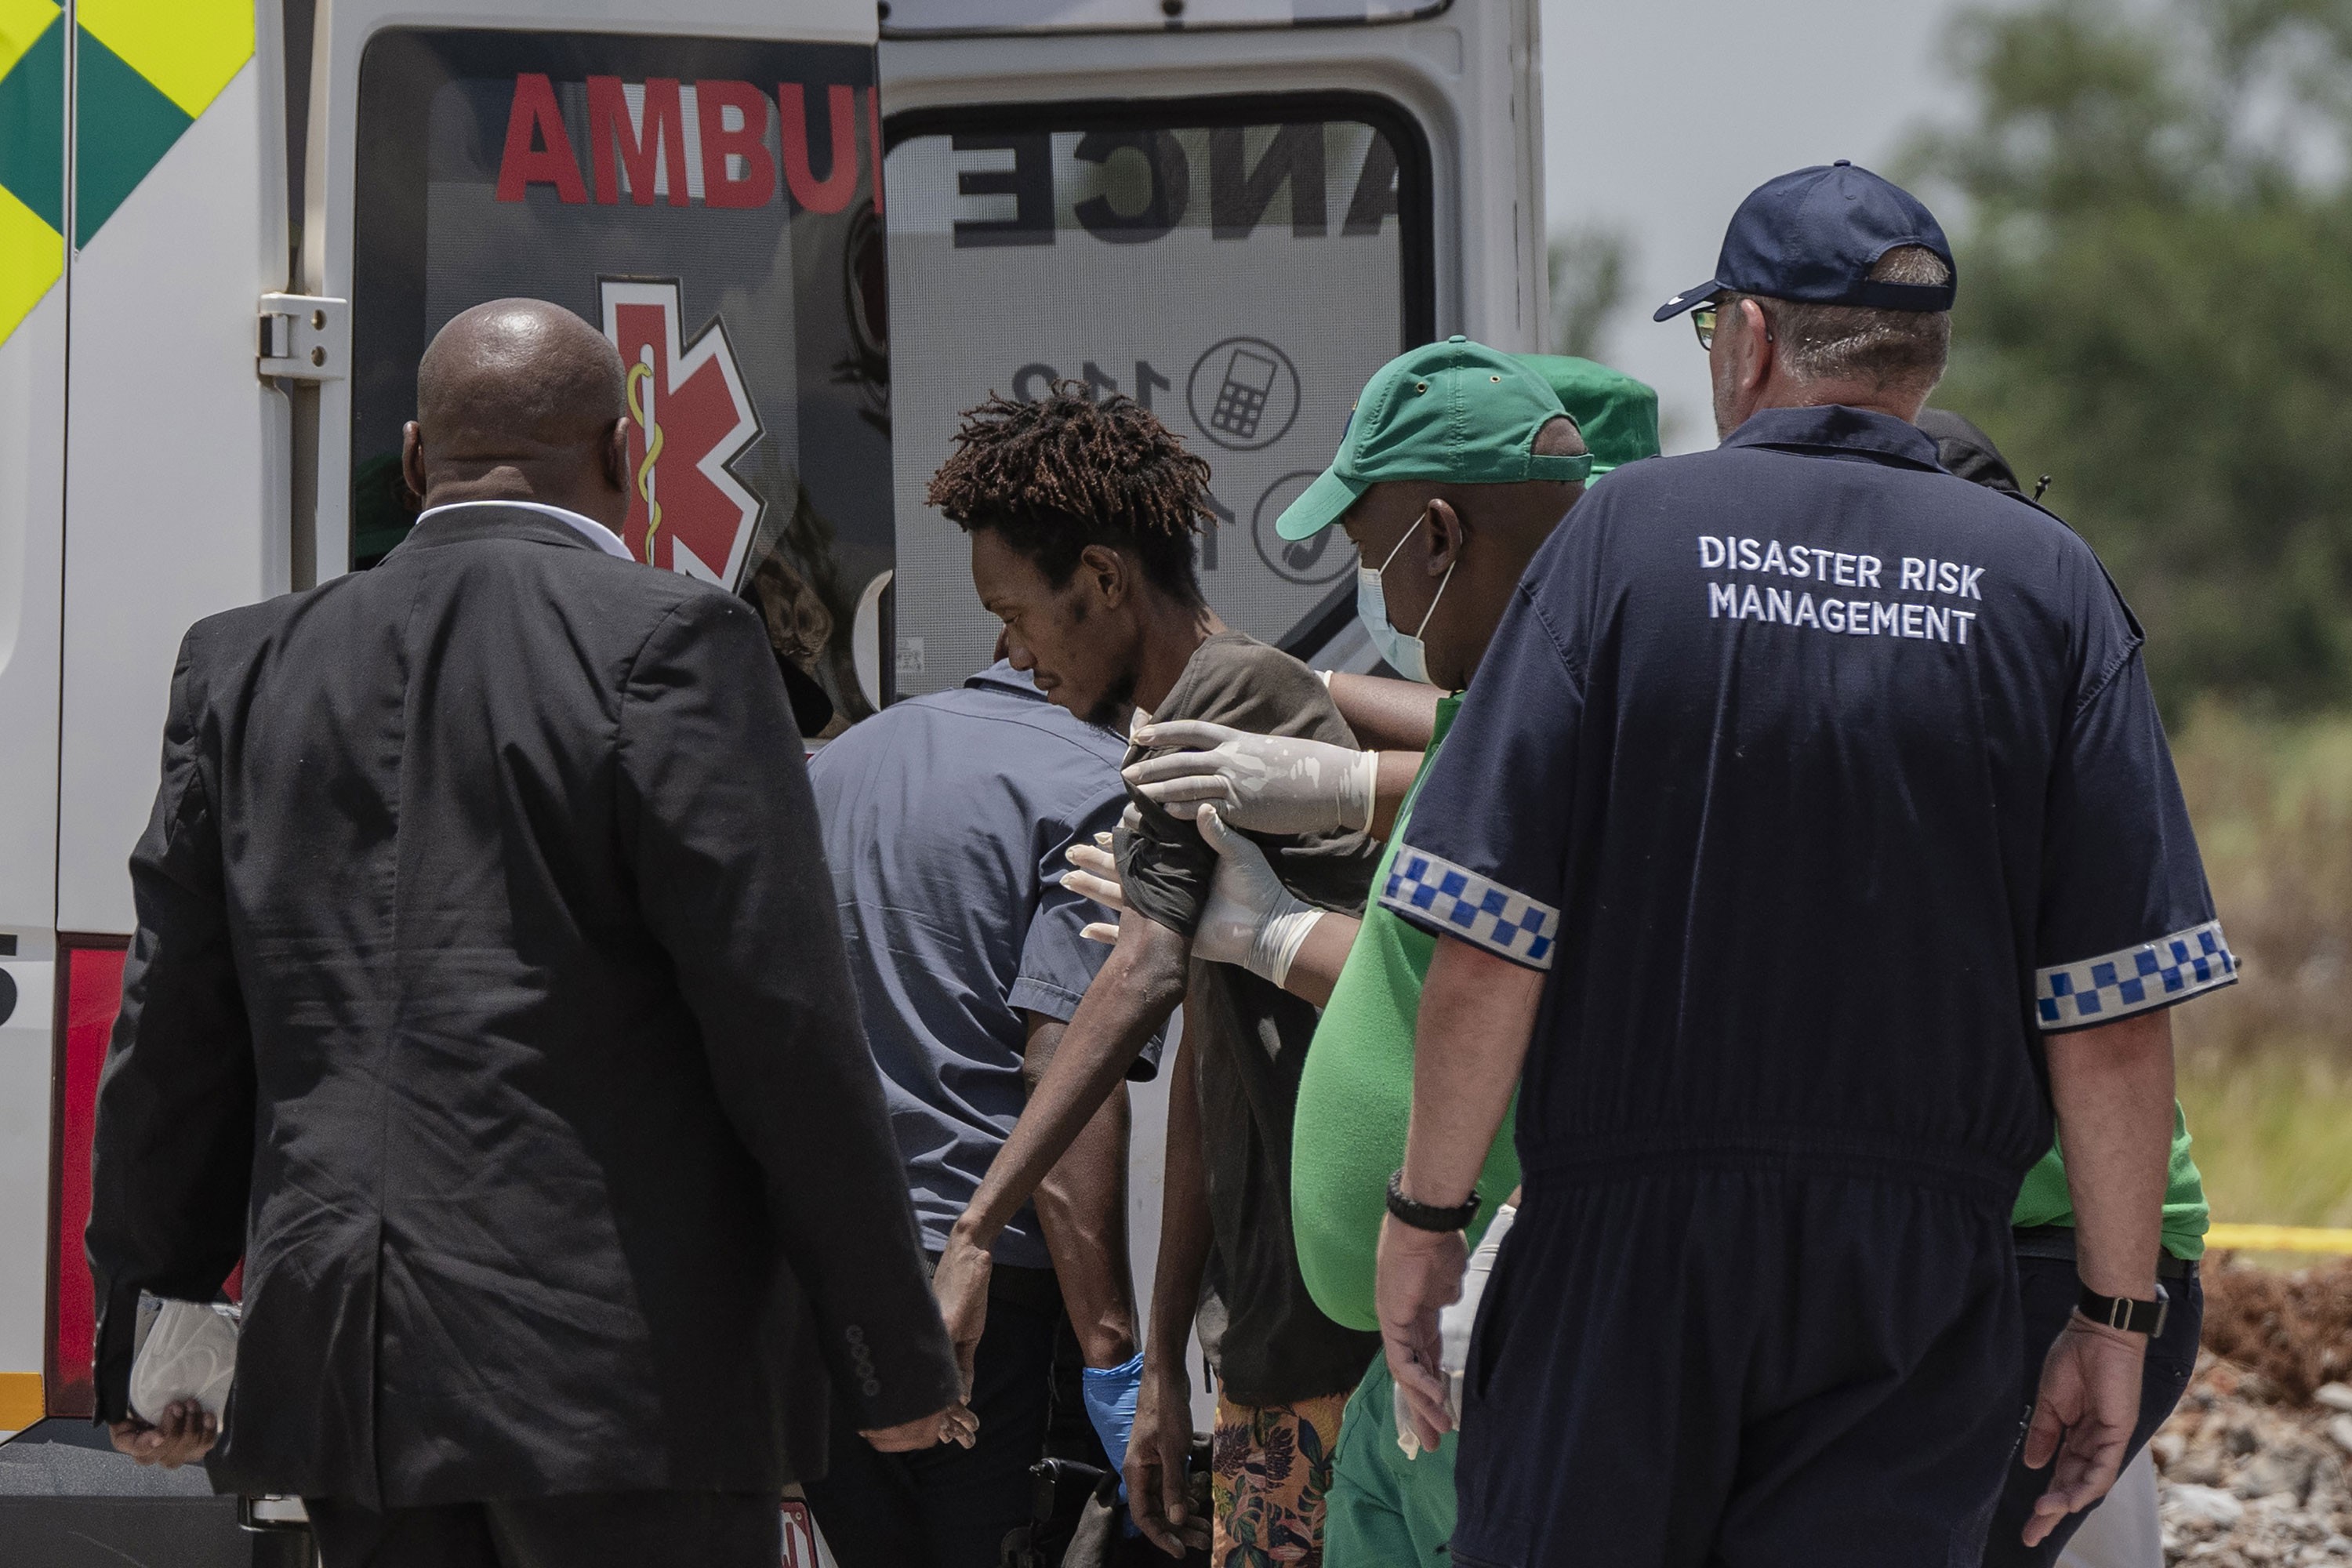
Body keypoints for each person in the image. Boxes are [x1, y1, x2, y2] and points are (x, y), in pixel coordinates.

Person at [1371, 163, 2238, 1566]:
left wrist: (1425, 1216)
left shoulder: (1618, 547)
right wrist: (2112, 1316)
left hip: (1625, 1255)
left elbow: (1491, 937)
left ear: (1750, 337)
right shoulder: (2048, 588)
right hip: (1920, 1284)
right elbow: (2117, 1012)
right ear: (1922, 356)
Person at [85, 299, 967, 1568]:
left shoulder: (245, 669)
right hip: (618, 1386)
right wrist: (889, 1352)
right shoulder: (675, 644)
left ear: (412, 460)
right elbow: (784, 1026)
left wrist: (149, 1329)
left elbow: (174, 1034)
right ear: (627, 456)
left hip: (349, 1378)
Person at [1097, 344, 1657, 1565]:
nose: (1385, 606)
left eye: (1372, 561)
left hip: (1502, 1326)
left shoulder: (1599, 723)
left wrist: (1284, 905)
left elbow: (1510, 986)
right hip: (1406, 1377)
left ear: (1441, 536)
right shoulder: (1519, 722)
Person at [921, 383, 1385, 1563]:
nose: (1011, 655)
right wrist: (1169, 1356)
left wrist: (974, 1232)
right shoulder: (1180, 726)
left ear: (1106, 577)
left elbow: (1138, 976)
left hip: (1342, 1333)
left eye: (1017, 614)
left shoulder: (1232, 703)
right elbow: (1201, 1067)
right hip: (1266, 1334)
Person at [1917, 408, 2207, 1568]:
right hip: (2078, 1261)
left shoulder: (2009, 719)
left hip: (2052, 1256)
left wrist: (2111, 1316)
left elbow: (2118, 1025)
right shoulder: (2046, 677)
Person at [802, 655, 1161, 1566]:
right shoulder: (1095, 781)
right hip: (993, 1296)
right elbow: (1063, 1067)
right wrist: (1111, 1348)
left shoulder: (840, 761)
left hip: (824, 1268)